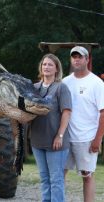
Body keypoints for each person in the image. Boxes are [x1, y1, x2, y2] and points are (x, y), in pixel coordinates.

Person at [63, 46, 104, 202]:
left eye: (80, 57)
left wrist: (97, 140)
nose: (77, 59)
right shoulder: (65, 82)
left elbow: (103, 113)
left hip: (86, 139)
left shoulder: (96, 83)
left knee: (87, 176)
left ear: (87, 59)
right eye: (74, 57)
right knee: (60, 174)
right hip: (66, 137)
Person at [29, 53, 72, 202]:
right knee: (44, 179)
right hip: (37, 141)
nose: (46, 67)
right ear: (41, 67)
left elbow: (66, 113)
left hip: (56, 142)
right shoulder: (34, 88)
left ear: (56, 69)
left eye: (50, 65)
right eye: (44, 64)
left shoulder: (61, 88)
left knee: (56, 180)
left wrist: (59, 135)